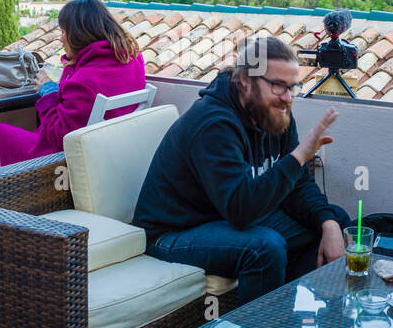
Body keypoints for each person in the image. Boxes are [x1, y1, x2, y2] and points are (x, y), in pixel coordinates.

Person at [133, 35, 348, 305]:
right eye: (278, 86)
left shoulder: (275, 112)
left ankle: (294, 313)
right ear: (246, 81)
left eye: (292, 87)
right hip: (173, 233)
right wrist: (299, 156)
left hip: (223, 216)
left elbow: (297, 185)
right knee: (264, 247)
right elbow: (241, 210)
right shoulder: (214, 124)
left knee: (335, 222)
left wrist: (328, 222)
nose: (288, 98)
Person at [0, 0, 147, 168]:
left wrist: (47, 90)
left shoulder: (84, 80)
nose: (61, 39)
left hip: (56, 159)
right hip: (107, 152)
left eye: (64, 32)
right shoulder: (132, 57)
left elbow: (59, 136)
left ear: (79, 36)